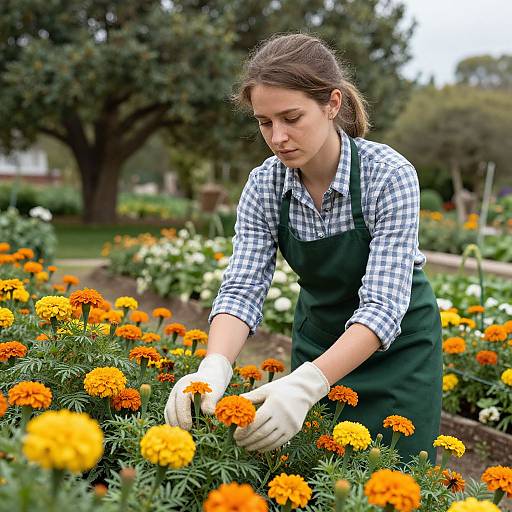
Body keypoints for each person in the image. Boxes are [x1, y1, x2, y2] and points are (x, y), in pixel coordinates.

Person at [164, 33, 442, 463]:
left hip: (398, 357)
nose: (278, 137)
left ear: (332, 104)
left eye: (291, 117)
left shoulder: (388, 176)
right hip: (320, 339)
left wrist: (308, 383)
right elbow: (243, 288)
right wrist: (214, 366)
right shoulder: (265, 185)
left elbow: (384, 306)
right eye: (264, 122)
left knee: (392, 480)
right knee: (309, 477)